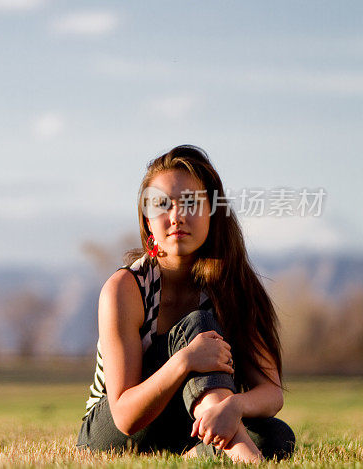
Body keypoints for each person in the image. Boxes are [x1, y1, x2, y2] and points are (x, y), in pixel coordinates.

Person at [76, 145, 295, 462]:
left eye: (191, 202)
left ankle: (194, 455)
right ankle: (247, 458)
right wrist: (186, 359)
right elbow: (125, 415)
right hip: (115, 430)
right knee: (197, 328)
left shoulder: (234, 285)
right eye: (162, 205)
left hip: (188, 422)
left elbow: (271, 392)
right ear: (148, 221)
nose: (176, 216)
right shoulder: (126, 288)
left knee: (276, 436)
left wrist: (233, 407)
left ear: (212, 212)